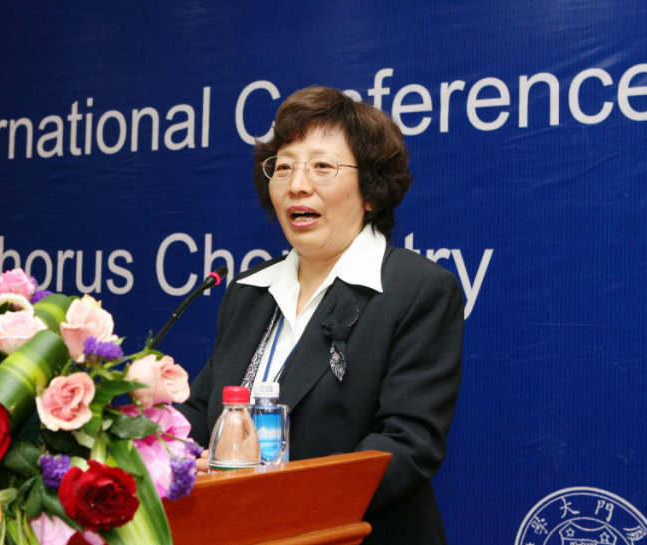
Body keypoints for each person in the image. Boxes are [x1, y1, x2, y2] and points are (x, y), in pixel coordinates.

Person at [177, 86, 464, 544]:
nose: (297, 184)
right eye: (284, 166)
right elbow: (203, 410)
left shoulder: (416, 290)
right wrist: (155, 452)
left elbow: (406, 444)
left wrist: (277, 501)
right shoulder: (249, 291)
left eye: (322, 167)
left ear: (371, 191)